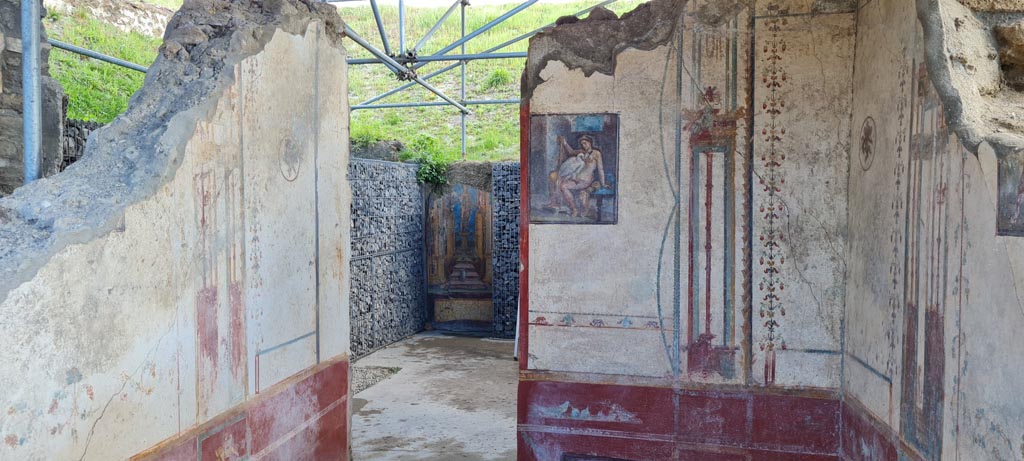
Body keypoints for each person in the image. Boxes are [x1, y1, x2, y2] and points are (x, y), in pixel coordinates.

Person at [547, 134, 607, 218]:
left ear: (590, 143)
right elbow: (571, 152)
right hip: (576, 179)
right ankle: (573, 209)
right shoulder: (581, 152)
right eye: (582, 144)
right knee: (561, 184)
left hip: (585, 180)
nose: (583, 145)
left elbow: (600, 169)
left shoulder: (596, 153)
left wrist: (603, 183)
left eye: (585, 143)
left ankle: (573, 208)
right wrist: (564, 143)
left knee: (563, 185)